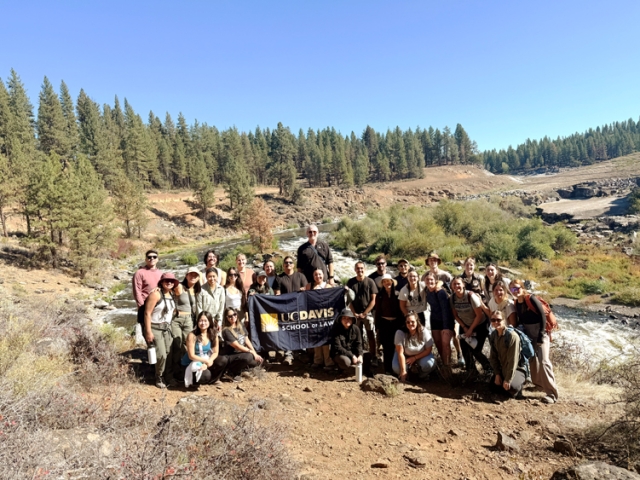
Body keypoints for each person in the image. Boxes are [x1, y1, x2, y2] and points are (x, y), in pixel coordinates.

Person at [511, 279, 559, 404]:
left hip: (540, 333)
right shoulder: (517, 303)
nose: (515, 291)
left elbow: (542, 316)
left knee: (544, 361)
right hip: (528, 333)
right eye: (512, 289)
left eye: (517, 288)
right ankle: (538, 384)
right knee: (532, 358)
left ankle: (552, 394)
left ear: (522, 288)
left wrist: (541, 335)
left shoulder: (530, 299)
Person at [144, 272, 179, 388]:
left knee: (169, 354)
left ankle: (169, 376)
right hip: (155, 327)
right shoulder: (155, 295)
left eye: (171, 281)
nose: (169, 283)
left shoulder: (172, 294)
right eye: (166, 281)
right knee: (161, 355)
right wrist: (148, 331)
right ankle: (159, 376)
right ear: (162, 282)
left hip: (167, 328)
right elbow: (147, 313)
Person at [450, 277, 491, 376]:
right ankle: (471, 372)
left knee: (476, 349)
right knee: (464, 348)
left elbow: (479, 315)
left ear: (463, 285)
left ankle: (489, 369)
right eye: (454, 284)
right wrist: (464, 327)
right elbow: (455, 315)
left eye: (458, 284)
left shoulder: (470, 296)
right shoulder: (452, 298)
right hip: (465, 325)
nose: (456, 286)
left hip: (480, 325)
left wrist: (471, 330)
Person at [273, 256, 308, 365]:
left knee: (300, 330)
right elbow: (277, 294)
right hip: (286, 309)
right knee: (287, 331)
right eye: (286, 263)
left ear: (293, 265)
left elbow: (307, 290)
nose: (288, 264)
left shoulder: (301, 276)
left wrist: (304, 290)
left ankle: (300, 353)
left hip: (300, 309)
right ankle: (288, 355)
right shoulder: (279, 278)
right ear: (283, 265)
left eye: (290, 262)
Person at [181, 311, 229, 387]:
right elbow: (191, 356)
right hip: (193, 362)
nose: (203, 323)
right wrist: (206, 362)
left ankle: (213, 380)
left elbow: (215, 352)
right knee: (206, 375)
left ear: (210, 321)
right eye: (200, 321)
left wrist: (209, 361)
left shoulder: (213, 334)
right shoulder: (192, 335)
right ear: (197, 322)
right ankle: (197, 379)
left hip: (206, 359)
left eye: (205, 321)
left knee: (223, 360)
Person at [346, 261, 379, 366]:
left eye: (361, 268)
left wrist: (365, 313)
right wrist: (354, 312)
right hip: (355, 314)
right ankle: (358, 356)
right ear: (355, 269)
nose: (360, 270)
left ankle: (374, 356)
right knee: (356, 336)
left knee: (370, 335)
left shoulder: (370, 282)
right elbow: (348, 300)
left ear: (365, 269)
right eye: (358, 268)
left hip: (367, 314)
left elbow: (373, 300)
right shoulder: (350, 282)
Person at [488, 311, 526, 398]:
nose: (496, 322)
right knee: (493, 386)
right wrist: (497, 374)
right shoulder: (494, 335)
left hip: (517, 368)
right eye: (493, 320)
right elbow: (493, 357)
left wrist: (508, 379)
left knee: (511, 387)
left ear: (504, 320)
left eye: (498, 320)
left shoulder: (512, 336)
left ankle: (518, 387)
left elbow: (513, 360)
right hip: (503, 368)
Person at [424, 271, 455, 375]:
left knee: (445, 343)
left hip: (445, 319)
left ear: (436, 281)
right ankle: (443, 364)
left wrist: (446, 327)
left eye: (431, 280)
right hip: (434, 319)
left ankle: (448, 367)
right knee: (437, 343)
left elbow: (445, 310)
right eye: (427, 280)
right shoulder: (426, 291)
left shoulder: (440, 292)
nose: (429, 282)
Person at [172, 266, 201, 375]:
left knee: (188, 344)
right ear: (186, 275)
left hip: (190, 320)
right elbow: (165, 288)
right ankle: (175, 370)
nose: (193, 277)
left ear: (198, 278)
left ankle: (185, 369)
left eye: (195, 275)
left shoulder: (197, 289)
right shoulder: (179, 286)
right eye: (191, 274)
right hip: (177, 319)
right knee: (177, 343)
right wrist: (156, 288)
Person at [220, 307, 263, 382]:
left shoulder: (240, 325)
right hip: (231, 356)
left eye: (234, 314)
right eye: (230, 316)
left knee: (258, 361)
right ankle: (232, 372)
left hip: (241, 354)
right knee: (248, 357)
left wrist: (255, 353)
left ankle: (242, 370)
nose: (233, 317)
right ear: (226, 318)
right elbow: (237, 346)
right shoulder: (226, 330)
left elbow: (246, 340)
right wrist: (251, 352)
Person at [393, 312, 437, 382]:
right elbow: (400, 353)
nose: (410, 324)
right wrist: (403, 371)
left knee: (429, 364)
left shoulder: (423, 331)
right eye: (408, 322)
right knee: (396, 368)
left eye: (412, 322)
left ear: (417, 321)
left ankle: (420, 376)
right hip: (405, 356)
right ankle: (406, 375)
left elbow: (428, 349)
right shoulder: (400, 333)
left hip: (421, 355)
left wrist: (414, 358)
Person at [305, 269, 335, 370]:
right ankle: (317, 360)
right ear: (313, 276)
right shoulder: (309, 286)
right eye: (316, 274)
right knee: (316, 337)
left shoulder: (328, 287)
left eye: (320, 274)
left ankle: (328, 362)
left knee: (326, 339)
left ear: (324, 275)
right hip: (313, 316)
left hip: (326, 316)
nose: (318, 276)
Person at [375, 273, 403, 375]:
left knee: (396, 346)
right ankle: (387, 369)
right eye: (385, 281)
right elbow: (377, 311)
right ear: (382, 283)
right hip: (384, 323)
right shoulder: (380, 296)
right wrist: (377, 326)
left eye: (389, 280)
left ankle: (397, 368)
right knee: (386, 347)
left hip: (396, 323)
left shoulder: (397, 294)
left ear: (392, 281)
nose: (387, 283)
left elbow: (401, 310)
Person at [331, 308, 371, 376]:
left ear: (352, 320)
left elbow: (359, 343)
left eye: (349, 318)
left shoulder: (356, 329)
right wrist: (352, 356)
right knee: (346, 362)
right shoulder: (336, 330)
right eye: (344, 318)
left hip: (352, 351)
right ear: (341, 320)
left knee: (367, 355)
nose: (347, 320)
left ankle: (365, 372)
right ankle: (340, 368)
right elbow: (338, 347)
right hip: (340, 353)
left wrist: (360, 355)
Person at [133, 249, 163, 325]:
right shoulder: (139, 273)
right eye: (149, 257)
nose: (152, 258)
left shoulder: (160, 273)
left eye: (154, 257)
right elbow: (137, 291)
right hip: (145, 306)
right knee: (145, 331)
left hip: (159, 307)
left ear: (157, 259)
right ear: (146, 259)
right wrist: (142, 307)